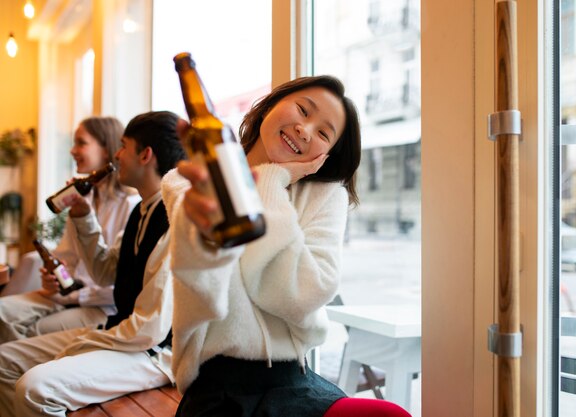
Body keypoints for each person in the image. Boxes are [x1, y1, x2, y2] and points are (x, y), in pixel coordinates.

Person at [163, 75, 409, 417]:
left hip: (293, 379)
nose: (305, 130)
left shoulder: (325, 195)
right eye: (303, 109)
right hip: (215, 385)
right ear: (268, 107)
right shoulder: (187, 181)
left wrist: (272, 181)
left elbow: (302, 292)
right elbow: (203, 287)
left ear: (327, 153)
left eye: (324, 133)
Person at [0, 111, 187, 417]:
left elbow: (150, 330)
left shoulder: (174, 217)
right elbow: (104, 271)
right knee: (3, 361)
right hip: (123, 333)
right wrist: (82, 215)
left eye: (123, 146)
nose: (116, 155)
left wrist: (81, 343)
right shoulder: (141, 210)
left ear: (145, 155)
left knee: (35, 389)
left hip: (155, 353)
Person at [0, 117, 140, 343]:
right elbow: (66, 256)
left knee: (35, 330)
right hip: (66, 296)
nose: (73, 150)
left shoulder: (131, 207)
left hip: (102, 307)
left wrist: (73, 295)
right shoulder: (83, 198)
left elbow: (116, 285)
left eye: (81, 143)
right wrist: (53, 278)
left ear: (106, 150)